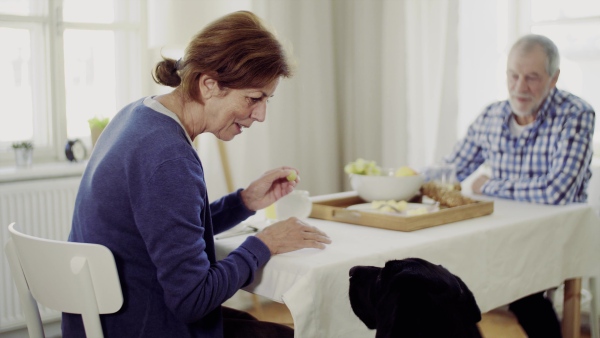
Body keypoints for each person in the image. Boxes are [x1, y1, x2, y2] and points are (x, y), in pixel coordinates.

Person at [62, 11, 331, 338]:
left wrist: (243, 202)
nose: (260, 115)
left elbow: (166, 230)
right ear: (208, 85)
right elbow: (192, 299)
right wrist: (264, 243)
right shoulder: (167, 156)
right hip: (146, 325)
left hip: (116, 321)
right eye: (254, 98)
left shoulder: (137, 115)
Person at [444, 34, 595, 337]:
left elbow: (557, 191)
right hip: (505, 235)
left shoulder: (576, 114)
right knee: (448, 276)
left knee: (520, 288)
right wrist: (404, 179)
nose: (519, 87)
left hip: (555, 237)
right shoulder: (491, 115)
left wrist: (492, 186)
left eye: (532, 78)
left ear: (554, 79)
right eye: (513, 75)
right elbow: (452, 169)